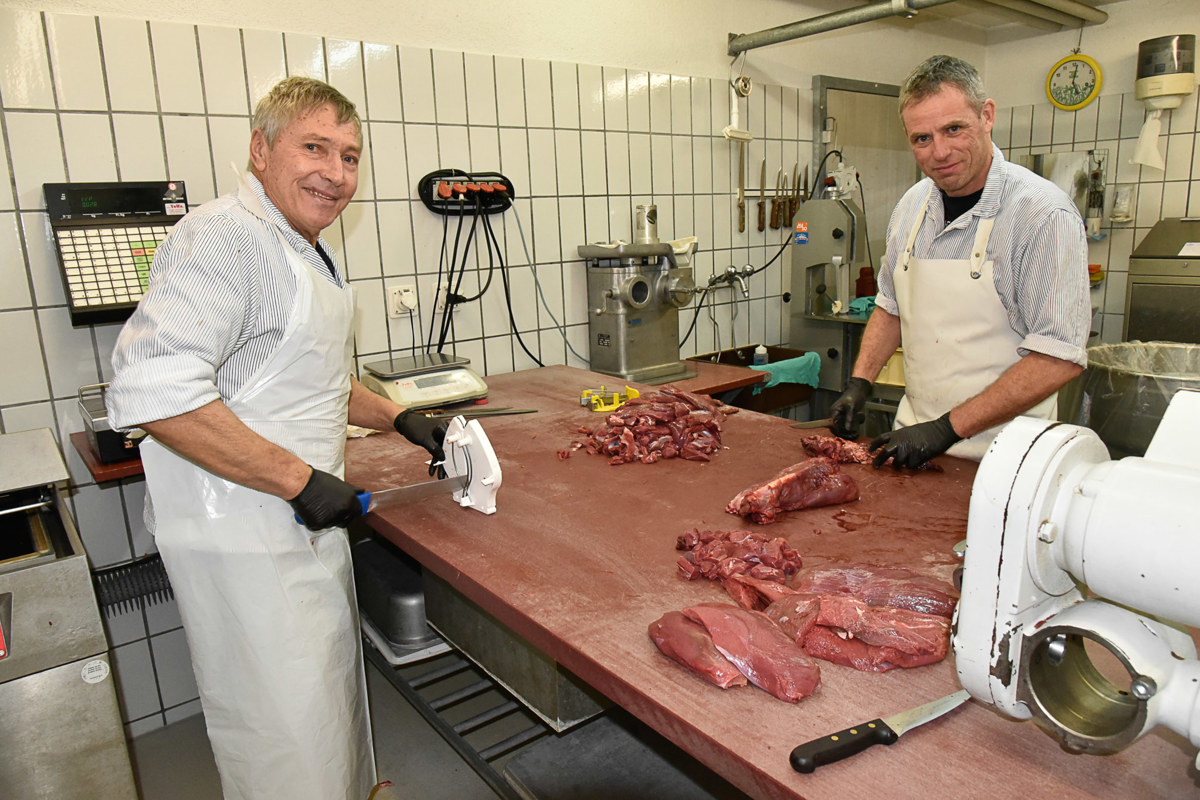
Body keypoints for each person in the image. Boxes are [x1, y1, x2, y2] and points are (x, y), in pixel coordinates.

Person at [107, 76, 447, 800]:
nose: (336, 173)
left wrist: (397, 415)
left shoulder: (295, 243)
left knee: (322, 701)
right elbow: (152, 391)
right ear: (260, 150)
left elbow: (300, 371)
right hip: (243, 529)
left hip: (294, 519)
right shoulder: (226, 236)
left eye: (351, 156)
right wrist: (299, 481)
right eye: (315, 147)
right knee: (282, 729)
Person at [830, 55, 1090, 468]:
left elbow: (1058, 357)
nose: (940, 152)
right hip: (912, 443)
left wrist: (945, 429)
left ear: (986, 115)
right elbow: (891, 305)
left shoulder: (1042, 215)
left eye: (954, 129)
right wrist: (860, 381)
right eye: (922, 138)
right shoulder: (912, 206)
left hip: (1007, 458)